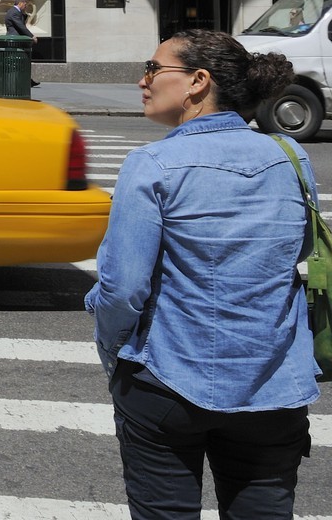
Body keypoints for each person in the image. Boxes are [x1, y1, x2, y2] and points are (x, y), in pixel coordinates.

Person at [86, 30, 318, 520]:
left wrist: (114, 356)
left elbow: (122, 288)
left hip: (168, 380)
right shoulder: (292, 158)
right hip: (274, 388)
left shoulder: (152, 165)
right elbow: (300, 259)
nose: (142, 80)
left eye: (153, 69)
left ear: (197, 81)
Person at [5, 0, 42, 87]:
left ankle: (27, 80)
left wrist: (24, 14)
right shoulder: (13, 12)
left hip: (18, 39)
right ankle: (19, 81)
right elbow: (20, 26)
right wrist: (31, 36)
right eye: (25, 5)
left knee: (21, 61)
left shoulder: (17, 12)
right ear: (20, 3)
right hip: (15, 39)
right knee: (17, 61)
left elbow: (22, 23)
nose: (25, 7)